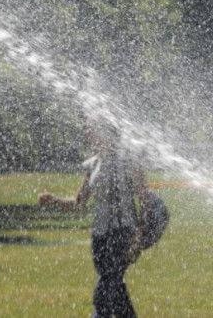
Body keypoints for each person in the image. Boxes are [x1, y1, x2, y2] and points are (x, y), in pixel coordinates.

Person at [43, 120, 147, 318]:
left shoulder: (128, 160)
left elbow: (144, 199)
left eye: (92, 129)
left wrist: (138, 235)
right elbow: (79, 203)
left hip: (123, 232)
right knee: (115, 290)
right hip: (99, 237)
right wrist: (54, 201)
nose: (87, 134)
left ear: (106, 131)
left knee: (104, 290)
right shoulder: (92, 165)